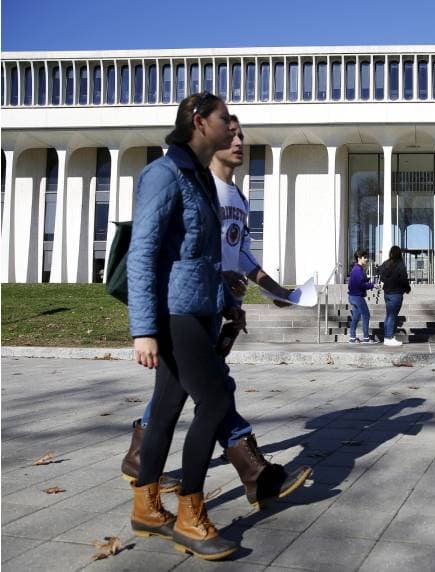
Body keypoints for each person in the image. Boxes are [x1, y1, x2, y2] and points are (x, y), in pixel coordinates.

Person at [121, 115, 311, 513]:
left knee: (182, 389)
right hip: (187, 306)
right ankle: (250, 473)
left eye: (242, 134)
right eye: (231, 132)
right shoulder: (195, 187)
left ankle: (142, 455)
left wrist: (275, 292)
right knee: (213, 389)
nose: (238, 140)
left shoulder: (237, 198)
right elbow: (175, 254)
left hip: (217, 308)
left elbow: (239, 254)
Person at [126, 92, 239, 560]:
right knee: (215, 401)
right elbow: (143, 252)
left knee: (169, 407)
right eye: (224, 119)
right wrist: (143, 329)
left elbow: (203, 256)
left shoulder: (199, 178)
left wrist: (228, 300)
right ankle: (191, 514)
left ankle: (146, 506)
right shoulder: (164, 174)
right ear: (199, 122)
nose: (232, 128)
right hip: (174, 313)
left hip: (198, 307)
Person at [377, 245, 411, 346]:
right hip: (396, 293)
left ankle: (388, 337)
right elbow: (404, 278)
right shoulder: (400, 264)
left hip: (387, 293)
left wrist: (385, 280)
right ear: (399, 254)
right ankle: (389, 337)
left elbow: (379, 271)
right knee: (392, 315)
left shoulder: (387, 263)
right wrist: (407, 288)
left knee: (389, 315)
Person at [347, 248, 378, 343]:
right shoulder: (357, 270)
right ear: (359, 258)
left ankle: (352, 338)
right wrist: (372, 285)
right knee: (366, 315)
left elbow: (354, 283)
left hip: (353, 296)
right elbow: (360, 285)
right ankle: (366, 338)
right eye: (365, 257)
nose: (366, 259)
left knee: (356, 316)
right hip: (357, 297)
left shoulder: (356, 269)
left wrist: (368, 282)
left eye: (367, 257)